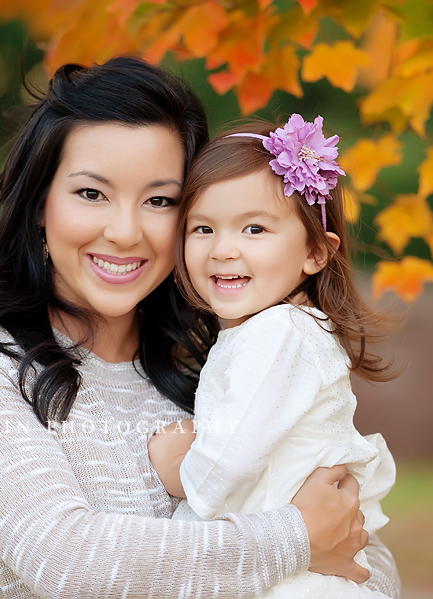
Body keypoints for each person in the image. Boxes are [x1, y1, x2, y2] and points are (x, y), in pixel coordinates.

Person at [0, 57, 402, 598]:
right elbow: (69, 562)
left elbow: (364, 554)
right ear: (40, 205)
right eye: (91, 193)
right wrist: (296, 538)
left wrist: (321, 541)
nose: (124, 232)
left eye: (159, 201)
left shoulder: (215, 361)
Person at [147, 115, 398, 597]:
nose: (223, 249)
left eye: (254, 229)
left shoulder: (278, 334)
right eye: (202, 229)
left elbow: (228, 466)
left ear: (316, 254)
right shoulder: (276, 333)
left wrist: (177, 469)